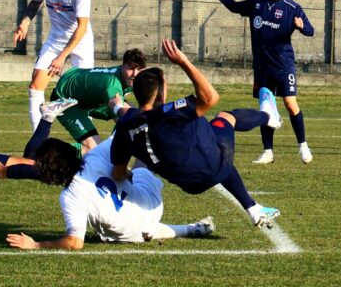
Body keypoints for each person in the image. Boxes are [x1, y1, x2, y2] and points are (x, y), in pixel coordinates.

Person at [110, 39, 281, 228]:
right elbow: (211, 97)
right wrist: (183, 61)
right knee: (225, 118)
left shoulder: (126, 127)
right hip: (214, 165)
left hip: (189, 185)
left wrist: (117, 107)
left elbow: (118, 173)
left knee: (209, 138)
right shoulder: (169, 113)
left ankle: (254, 208)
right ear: (161, 94)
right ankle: (269, 116)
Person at [6, 136, 215, 250]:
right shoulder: (95, 156)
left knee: (137, 225)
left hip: (133, 233)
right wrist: (118, 108)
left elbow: (75, 242)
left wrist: (36, 244)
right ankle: (190, 227)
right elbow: (126, 132)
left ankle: (188, 229)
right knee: (141, 160)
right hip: (150, 203)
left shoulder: (70, 197)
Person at [208, 0, 315, 164]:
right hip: (262, 67)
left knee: (291, 105)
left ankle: (303, 146)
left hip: (284, 65)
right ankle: (268, 151)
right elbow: (235, 7)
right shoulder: (257, 2)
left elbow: (311, 30)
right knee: (267, 109)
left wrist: (302, 27)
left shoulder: (292, 8)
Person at [13, 0, 93, 132]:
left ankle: (86, 143)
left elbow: (82, 27)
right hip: (55, 40)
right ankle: (38, 140)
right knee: (35, 86)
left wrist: (62, 57)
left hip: (80, 41)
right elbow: (35, 2)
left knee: (85, 93)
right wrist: (25, 22)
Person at [48, 48, 147, 152]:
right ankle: (46, 155)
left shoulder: (135, 78)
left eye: (139, 69)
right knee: (93, 148)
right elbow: (123, 120)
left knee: (135, 115)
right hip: (66, 98)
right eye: (131, 68)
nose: (135, 74)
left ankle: (112, 155)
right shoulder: (112, 86)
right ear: (122, 66)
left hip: (90, 96)